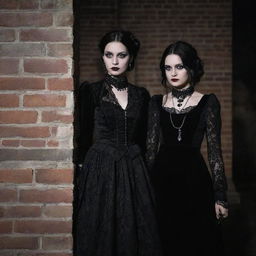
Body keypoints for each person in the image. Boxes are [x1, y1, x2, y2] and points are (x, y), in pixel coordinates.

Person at [75, 30, 162, 256]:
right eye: (108, 54)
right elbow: (83, 136)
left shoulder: (141, 95)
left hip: (134, 169)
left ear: (131, 58)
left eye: (121, 55)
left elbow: (144, 138)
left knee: (136, 232)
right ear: (102, 57)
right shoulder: (90, 91)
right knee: (100, 231)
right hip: (100, 169)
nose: (114, 61)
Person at [146, 41, 228, 256]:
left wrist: (220, 195)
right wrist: (144, 191)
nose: (173, 73)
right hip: (162, 181)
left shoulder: (208, 102)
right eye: (168, 67)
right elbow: (150, 151)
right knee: (164, 242)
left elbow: (214, 152)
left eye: (179, 67)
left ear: (191, 68)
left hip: (195, 181)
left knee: (196, 242)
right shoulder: (156, 102)